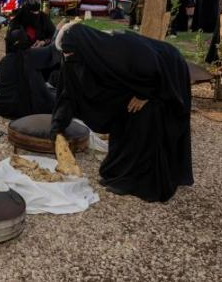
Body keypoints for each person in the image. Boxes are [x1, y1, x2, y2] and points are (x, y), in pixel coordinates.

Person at [50, 23, 193, 202]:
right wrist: (57, 127)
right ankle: (119, 173)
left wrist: (144, 94)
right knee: (121, 121)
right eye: (65, 53)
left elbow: (150, 64)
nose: (68, 57)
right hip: (137, 81)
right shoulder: (74, 57)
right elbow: (67, 94)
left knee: (144, 122)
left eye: (71, 52)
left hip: (165, 69)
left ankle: (139, 180)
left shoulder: (116, 47)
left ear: (84, 46)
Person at [0, 29, 56, 119]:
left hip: (5, 106)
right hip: (28, 108)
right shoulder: (32, 55)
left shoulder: (5, 60)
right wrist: (59, 31)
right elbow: (54, 49)